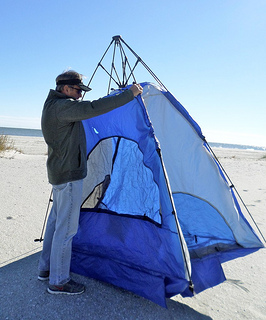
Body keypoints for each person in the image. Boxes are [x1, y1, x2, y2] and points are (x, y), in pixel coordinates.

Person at [38, 70, 143, 295]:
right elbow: (93, 108)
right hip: (68, 176)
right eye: (77, 90)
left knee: (56, 224)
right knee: (66, 230)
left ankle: (45, 269)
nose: (79, 96)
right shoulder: (62, 107)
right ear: (65, 88)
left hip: (60, 173)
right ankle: (58, 281)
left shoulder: (53, 106)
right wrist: (129, 94)